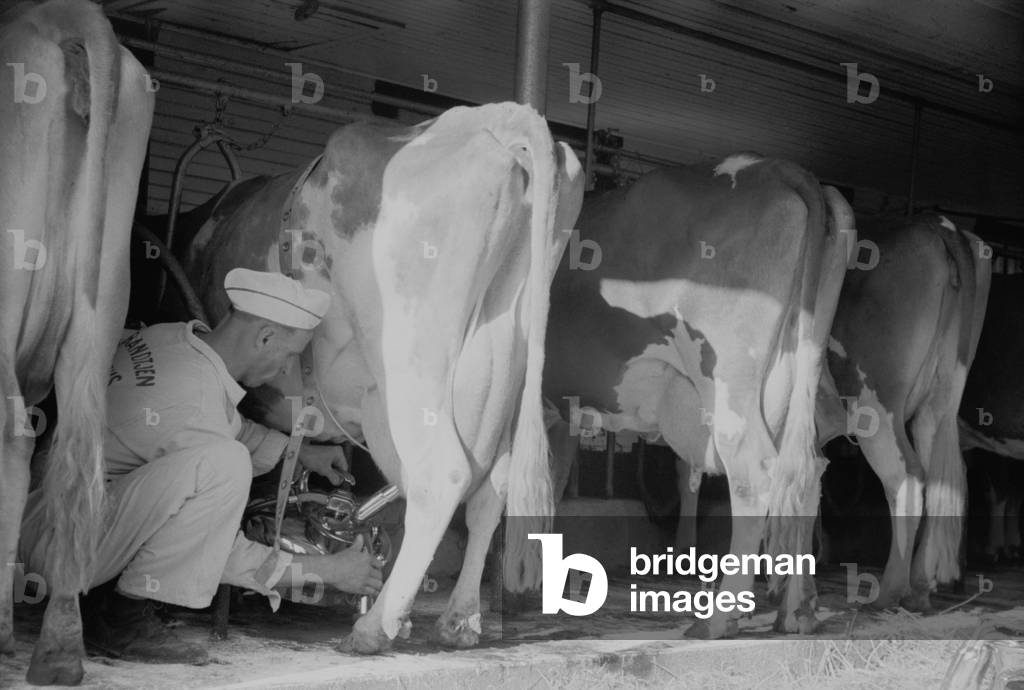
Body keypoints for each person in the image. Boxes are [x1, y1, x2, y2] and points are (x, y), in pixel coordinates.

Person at [19, 268, 384, 664]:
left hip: (39, 513)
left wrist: (297, 454)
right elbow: (226, 556)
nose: (284, 370)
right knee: (227, 464)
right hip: (60, 549)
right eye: (290, 354)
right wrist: (330, 571)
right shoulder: (197, 411)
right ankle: (120, 619)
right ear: (264, 337)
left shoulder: (170, 339)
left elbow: (217, 423)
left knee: (223, 456)